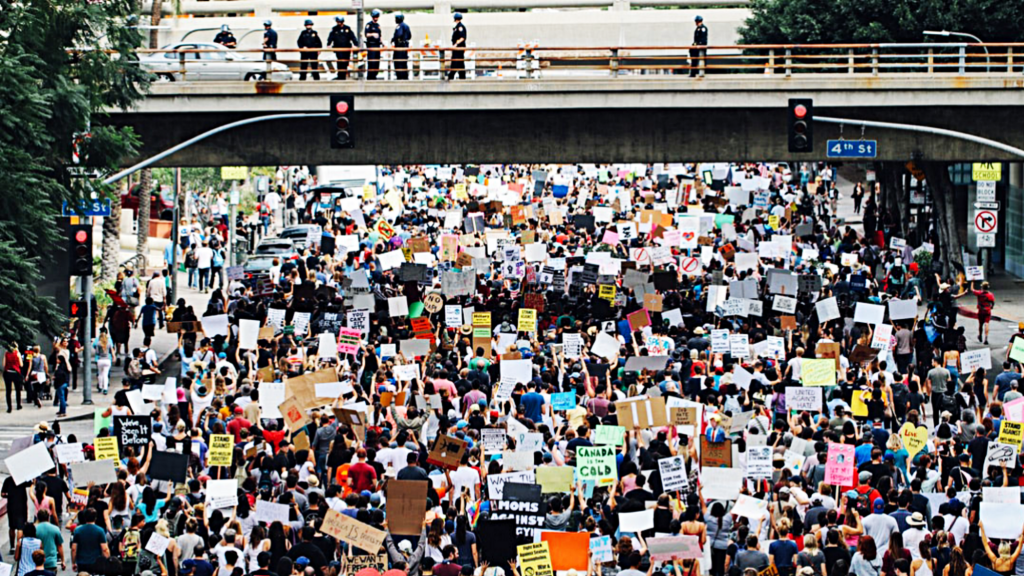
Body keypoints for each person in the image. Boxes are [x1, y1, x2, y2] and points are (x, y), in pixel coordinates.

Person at [70, 508, 109, 574]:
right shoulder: (100, 531)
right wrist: (108, 561)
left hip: (81, 562)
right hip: (96, 563)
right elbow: (104, 549)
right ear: (95, 518)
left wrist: (73, 562)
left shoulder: (78, 530)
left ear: (85, 517)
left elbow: (74, 548)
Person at [3, 342, 23, 411]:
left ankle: (9, 407)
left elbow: (4, 364)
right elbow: (21, 365)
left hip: (8, 373)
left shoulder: (6, 353)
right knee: (18, 390)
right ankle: (18, 405)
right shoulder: (17, 353)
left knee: (8, 391)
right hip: (16, 373)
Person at [391, 13, 412, 80]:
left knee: (398, 62)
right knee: (403, 62)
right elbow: (409, 36)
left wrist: (394, 39)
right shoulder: (406, 26)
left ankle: (400, 77)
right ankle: (405, 77)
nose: (395, 20)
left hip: (400, 47)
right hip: (404, 46)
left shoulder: (400, 26)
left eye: (396, 18)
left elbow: (399, 35)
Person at [448, 13, 467, 80]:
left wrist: (455, 44)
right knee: (460, 63)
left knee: (456, 62)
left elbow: (462, 38)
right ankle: (462, 77)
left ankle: (451, 76)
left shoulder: (460, 27)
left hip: (458, 48)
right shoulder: (457, 27)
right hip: (457, 48)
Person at [365, 10, 383, 79]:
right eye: (375, 17)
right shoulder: (369, 25)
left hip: (377, 45)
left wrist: (382, 42)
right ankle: (370, 76)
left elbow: (380, 35)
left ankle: (375, 75)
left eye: (377, 17)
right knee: (371, 61)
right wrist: (373, 34)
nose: (376, 18)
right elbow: (366, 34)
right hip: (371, 45)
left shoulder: (378, 25)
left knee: (377, 61)